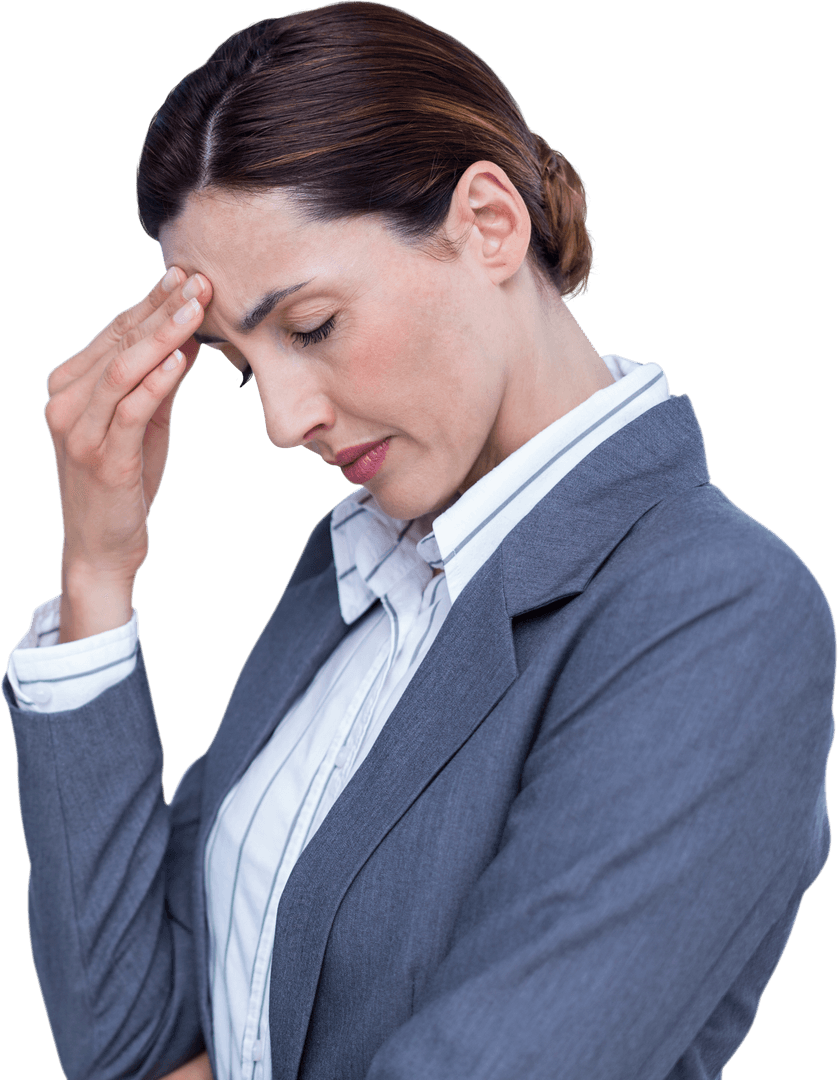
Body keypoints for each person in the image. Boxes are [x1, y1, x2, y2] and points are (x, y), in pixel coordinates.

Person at [3, 3, 834, 1079]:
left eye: (311, 327)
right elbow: (124, 1044)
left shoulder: (717, 612)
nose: (283, 421)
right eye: (243, 368)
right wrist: (96, 570)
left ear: (488, 222)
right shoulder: (356, 572)